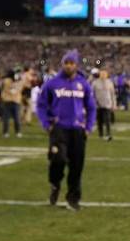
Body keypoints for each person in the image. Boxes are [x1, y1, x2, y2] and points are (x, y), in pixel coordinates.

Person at [36, 50, 95, 211]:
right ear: (62, 64)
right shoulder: (52, 83)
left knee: (76, 166)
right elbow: (41, 105)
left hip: (77, 130)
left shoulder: (83, 84)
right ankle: (55, 184)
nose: (69, 66)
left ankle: (73, 199)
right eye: (66, 63)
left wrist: (88, 127)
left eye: (71, 63)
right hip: (59, 129)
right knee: (58, 159)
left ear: (76, 65)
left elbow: (91, 107)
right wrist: (46, 124)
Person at [92, 69, 116, 141]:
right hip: (98, 104)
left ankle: (108, 133)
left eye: (104, 74)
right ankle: (101, 134)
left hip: (107, 104)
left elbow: (112, 94)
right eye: (102, 74)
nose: (103, 76)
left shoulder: (110, 82)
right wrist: (94, 102)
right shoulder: (95, 83)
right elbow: (92, 94)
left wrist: (114, 104)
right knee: (99, 120)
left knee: (107, 119)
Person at [0, 71, 25, 137]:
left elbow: (17, 89)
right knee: (11, 118)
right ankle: (14, 132)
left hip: (12, 100)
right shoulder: (8, 81)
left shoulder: (7, 81)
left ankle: (8, 132)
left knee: (13, 118)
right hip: (11, 100)